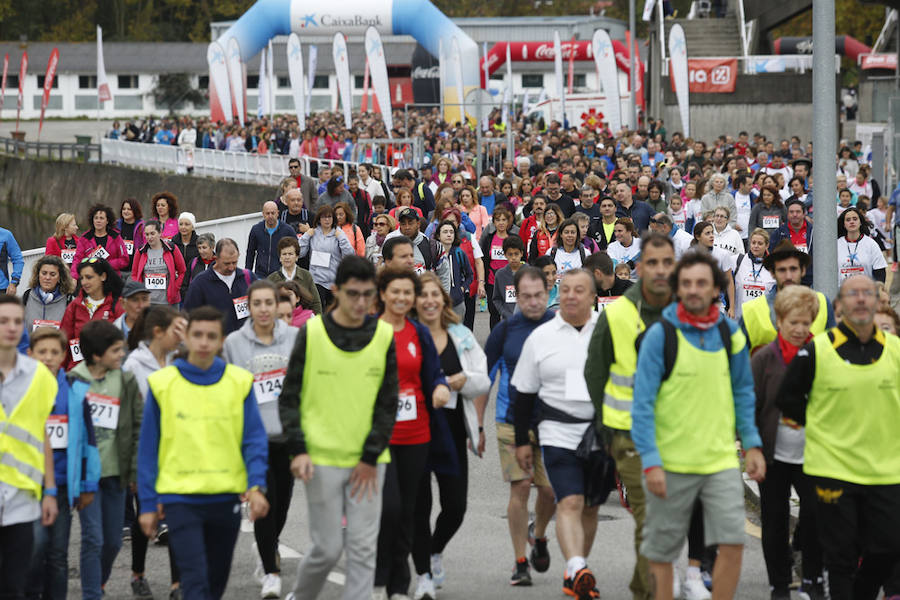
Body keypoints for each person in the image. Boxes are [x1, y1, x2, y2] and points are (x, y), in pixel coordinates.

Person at [585, 234, 717, 599]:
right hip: (630, 435)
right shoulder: (617, 314)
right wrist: (606, 432)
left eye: (667, 262)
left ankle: (656, 581)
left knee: (680, 514)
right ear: (639, 267)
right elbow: (595, 374)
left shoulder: (691, 310)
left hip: (683, 434)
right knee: (652, 517)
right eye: (652, 263)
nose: (660, 270)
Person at [631, 250, 766, 600]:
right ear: (677, 288)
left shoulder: (730, 333)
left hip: (720, 462)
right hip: (669, 463)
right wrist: (650, 461)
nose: (693, 290)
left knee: (732, 543)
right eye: (687, 283)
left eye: (701, 283)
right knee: (661, 554)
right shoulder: (660, 335)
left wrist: (752, 444)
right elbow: (642, 405)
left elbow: (743, 392)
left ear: (716, 289)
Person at [277, 256, 395, 600]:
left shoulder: (383, 335)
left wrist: (370, 457)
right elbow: (290, 397)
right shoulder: (312, 333)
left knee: (362, 550)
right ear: (336, 291)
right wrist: (298, 450)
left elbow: (388, 403)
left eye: (368, 295)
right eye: (353, 294)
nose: (361, 302)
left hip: (369, 462)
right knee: (327, 549)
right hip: (321, 459)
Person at [777, 275, 900, 600]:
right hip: (833, 469)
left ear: (877, 302)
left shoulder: (896, 350)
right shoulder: (816, 350)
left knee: (888, 547)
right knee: (840, 556)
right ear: (839, 306)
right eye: (852, 293)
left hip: (886, 471)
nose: (860, 299)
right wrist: (821, 426)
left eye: (867, 293)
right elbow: (788, 399)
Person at [138, 306, 270, 600]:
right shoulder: (163, 384)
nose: (203, 342)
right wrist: (147, 503)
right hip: (180, 499)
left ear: (222, 340)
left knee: (215, 583)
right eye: (197, 335)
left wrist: (257, 485)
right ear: (186, 337)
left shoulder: (239, 382)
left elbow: (254, 439)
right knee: (195, 582)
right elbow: (148, 449)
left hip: (225, 498)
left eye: (211, 336)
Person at [513, 269, 606, 600]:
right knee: (570, 500)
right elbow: (523, 393)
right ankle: (578, 567)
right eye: (565, 289)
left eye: (579, 290)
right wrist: (522, 441)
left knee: (591, 507)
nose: (570, 296)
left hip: (600, 434)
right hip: (556, 431)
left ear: (593, 297)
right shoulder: (541, 336)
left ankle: (574, 570)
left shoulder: (607, 332)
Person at [371, 268, 451, 600]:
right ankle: (379, 577)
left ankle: (398, 584)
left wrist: (441, 387)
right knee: (388, 509)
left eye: (408, 292)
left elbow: (434, 374)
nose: (402, 298)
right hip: (380, 436)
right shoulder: (370, 331)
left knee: (407, 511)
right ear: (383, 295)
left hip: (416, 435)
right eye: (396, 292)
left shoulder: (418, 332)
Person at [411, 272, 491, 598]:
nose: (430, 301)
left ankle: (433, 550)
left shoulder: (460, 335)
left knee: (455, 506)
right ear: (415, 302)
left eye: (435, 295)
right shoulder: (407, 335)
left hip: (452, 432)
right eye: (423, 295)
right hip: (415, 433)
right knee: (419, 508)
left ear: (443, 300)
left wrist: (461, 380)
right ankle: (423, 574)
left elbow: (483, 379)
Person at [223, 280, 298, 599]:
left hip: (287, 436)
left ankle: (268, 546)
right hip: (255, 439)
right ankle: (271, 573)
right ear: (249, 307)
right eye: (258, 304)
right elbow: (229, 393)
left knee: (281, 507)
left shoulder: (294, 338)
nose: (264, 309)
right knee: (264, 504)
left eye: (269, 303)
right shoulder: (234, 343)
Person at [750, 286, 824, 600]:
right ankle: (778, 584)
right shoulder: (764, 358)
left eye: (806, 322)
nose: (799, 329)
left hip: (815, 454)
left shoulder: (823, 355)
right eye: (793, 322)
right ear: (779, 321)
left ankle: (812, 579)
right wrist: (751, 448)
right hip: (773, 454)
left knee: (816, 517)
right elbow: (749, 405)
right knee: (774, 521)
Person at [484, 266, 556, 586]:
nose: (533, 301)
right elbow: (484, 378)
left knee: (550, 491)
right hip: (511, 420)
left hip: (551, 421)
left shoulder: (559, 326)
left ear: (547, 293)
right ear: (516, 295)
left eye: (538, 295)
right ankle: (520, 562)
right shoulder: (504, 331)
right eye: (525, 296)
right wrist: (476, 425)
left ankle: (538, 534)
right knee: (521, 487)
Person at [25, 326, 99, 600]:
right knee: (34, 549)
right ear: (30, 354)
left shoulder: (75, 391)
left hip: (63, 483)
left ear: (63, 355)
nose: (48, 357)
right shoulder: (19, 390)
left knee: (58, 555)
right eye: (42, 352)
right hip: (28, 484)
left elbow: (89, 439)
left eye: (54, 352)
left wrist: (88, 482)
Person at [70, 319, 143, 599]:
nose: (122, 355)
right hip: (87, 476)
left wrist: (134, 471)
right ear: (97, 355)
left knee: (113, 541)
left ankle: (98, 582)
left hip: (116, 473)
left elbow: (136, 425)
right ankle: (92, 594)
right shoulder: (73, 380)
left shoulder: (125, 380)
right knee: (92, 538)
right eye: (115, 350)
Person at [122, 306, 186, 600]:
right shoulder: (133, 365)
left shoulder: (179, 360)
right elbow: (127, 417)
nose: (181, 335)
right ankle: (138, 574)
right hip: (145, 450)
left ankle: (177, 583)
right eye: (176, 330)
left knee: (176, 516)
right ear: (159, 332)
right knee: (144, 515)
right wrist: (131, 463)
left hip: (176, 449)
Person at [0, 296, 59, 598]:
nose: (12, 327)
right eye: (3, 321)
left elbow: (42, 434)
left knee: (14, 586)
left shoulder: (39, 377)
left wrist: (50, 490)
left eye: (17, 321)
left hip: (22, 497)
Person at [740, 240, 834, 354]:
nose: (788, 276)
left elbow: (833, 351)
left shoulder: (822, 303)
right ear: (772, 273)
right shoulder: (751, 310)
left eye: (793, 269)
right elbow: (738, 358)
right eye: (782, 270)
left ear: (803, 270)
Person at [184, 238, 258, 335]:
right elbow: (189, 316)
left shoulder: (248, 277)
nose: (231, 267)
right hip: (215, 340)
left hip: (245, 338)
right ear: (216, 258)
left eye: (234, 262)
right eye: (226, 263)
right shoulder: (200, 283)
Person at [61, 258, 125, 368]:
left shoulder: (117, 305)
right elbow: (64, 342)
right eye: (82, 278)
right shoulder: (75, 306)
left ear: (103, 276)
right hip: (78, 370)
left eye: (89, 277)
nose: (84, 282)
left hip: (108, 370)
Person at [298, 205, 355, 308]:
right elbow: (300, 253)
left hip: (333, 281)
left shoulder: (339, 233)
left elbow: (350, 256)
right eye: (324, 217)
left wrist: (341, 238)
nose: (327, 220)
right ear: (319, 219)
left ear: (333, 218)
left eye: (329, 217)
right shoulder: (313, 232)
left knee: (333, 311)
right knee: (318, 310)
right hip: (316, 280)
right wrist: (306, 235)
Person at [131, 219, 188, 306]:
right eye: (147, 234)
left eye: (152, 233)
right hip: (147, 302)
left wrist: (175, 287)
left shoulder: (171, 249)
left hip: (169, 302)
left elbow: (182, 271)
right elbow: (134, 274)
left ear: (160, 233)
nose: (149, 237)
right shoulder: (140, 251)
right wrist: (139, 290)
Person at [480, 207, 517, 330]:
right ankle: (495, 337)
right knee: (494, 311)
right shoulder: (488, 239)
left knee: (511, 311)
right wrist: (482, 282)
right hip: (492, 281)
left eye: (503, 220)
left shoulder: (513, 239)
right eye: (498, 220)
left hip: (511, 281)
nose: (501, 223)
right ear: (494, 222)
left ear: (508, 221)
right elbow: (484, 260)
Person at [267, 236, 324, 314]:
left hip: (303, 319)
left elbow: (315, 303)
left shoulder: (306, 275)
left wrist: (317, 319)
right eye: (284, 254)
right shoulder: (272, 278)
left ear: (297, 257)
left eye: (290, 254)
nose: (287, 257)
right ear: (280, 257)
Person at [691, 221, 737, 318]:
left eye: (712, 232)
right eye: (707, 233)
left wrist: (732, 307)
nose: (712, 236)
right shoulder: (689, 254)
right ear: (698, 236)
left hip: (717, 305)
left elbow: (729, 281)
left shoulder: (722, 254)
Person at [70, 205, 130, 277]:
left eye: (101, 218)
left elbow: (124, 259)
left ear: (107, 221)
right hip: (90, 277)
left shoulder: (116, 237)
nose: (98, 221)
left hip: (112, 277)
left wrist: (106, 264)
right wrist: (74, 277)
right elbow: (77, 259)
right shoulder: (85, 238)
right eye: (96, 218)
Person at [22, 255, 75, 332]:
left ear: (60, 277)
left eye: (52, 274)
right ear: (38, 275)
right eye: (44, 273)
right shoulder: (26, 297)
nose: (47, 278)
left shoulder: (69, 300)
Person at [732, 229, 776, 320]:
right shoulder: (737, 260)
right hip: (739, 318)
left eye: (760, 243)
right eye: (753, 243)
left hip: (762, 320)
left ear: (767, 245)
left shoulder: (774, 265)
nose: (756, 246)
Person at [247, 201, 298, 279]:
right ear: (263, 214)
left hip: (281, 275)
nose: (270, 216)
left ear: (277, 213)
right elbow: (250, 253)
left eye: (273, 213)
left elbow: (296, 251)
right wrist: (247, 274)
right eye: (267, 213)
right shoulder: (256, 229)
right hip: (260, 275)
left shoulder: (288, 230)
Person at [837, 206, 886, 284]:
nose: (852, 222)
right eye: (848, 220)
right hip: (842, 290)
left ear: (860, 222)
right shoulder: (837, 244)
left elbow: (880, 272)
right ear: (844, 224)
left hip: (866, 290)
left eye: (855, 219)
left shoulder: (871, 244)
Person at [436, 219, 474, 318]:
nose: (449, 235)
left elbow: (470, 275)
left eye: (451, 232)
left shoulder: (459, 253)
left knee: (457, 327)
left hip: (457, 302)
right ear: (438, 236)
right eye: (445, 232)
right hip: (438, 302)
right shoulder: (434, 253)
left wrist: (461, 289)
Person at [491, 236, 526, 322]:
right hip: (507, 320)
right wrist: (504, 312)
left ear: (521, 253)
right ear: (505, 255)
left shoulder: (531, 272)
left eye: (516, 254)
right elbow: (496, 298)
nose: (513, 258)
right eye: (510, 254)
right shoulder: (500, 274)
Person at [173, 212, 199, 297]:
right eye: (181, 224)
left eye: (187, 224)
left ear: (192, 227)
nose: (183, 227)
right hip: (177, 282)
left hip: (193, 281)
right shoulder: (173, 242)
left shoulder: (199, 242)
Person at [115, 200, 146, 273]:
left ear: (135, 210)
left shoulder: (141, 227)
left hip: (134, 268)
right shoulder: (115, 225)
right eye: (124, 209)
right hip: (117, 268)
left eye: (129, 209)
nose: (126, 211)